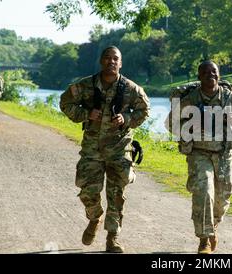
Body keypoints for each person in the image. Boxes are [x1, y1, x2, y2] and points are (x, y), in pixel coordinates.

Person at [59, 46, 150, 253]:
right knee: (87, 190)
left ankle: (113, 237)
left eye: (115, 59)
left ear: (120, 63)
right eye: (107, 58)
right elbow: (65, 102)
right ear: (101, 61)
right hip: (92, 148)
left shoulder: (130, 88)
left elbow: (144, 109)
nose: (111, 62)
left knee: (116, 194)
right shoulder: (86, 85)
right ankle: (94, 217)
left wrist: (126, 119)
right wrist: (85, 114)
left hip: (119, 149)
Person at [166, 61, 232, 254]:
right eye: (205, 72)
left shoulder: (231, 98)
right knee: (204, 191)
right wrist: (190, 127)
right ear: (199, 76)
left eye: (213, 72)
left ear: (219, 75)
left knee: (223, 196)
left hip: (224, 154)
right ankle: (204, 239)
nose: (210, 75)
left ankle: (212, 226)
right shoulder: (190, 99)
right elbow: (170, 124)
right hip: (198, 153)